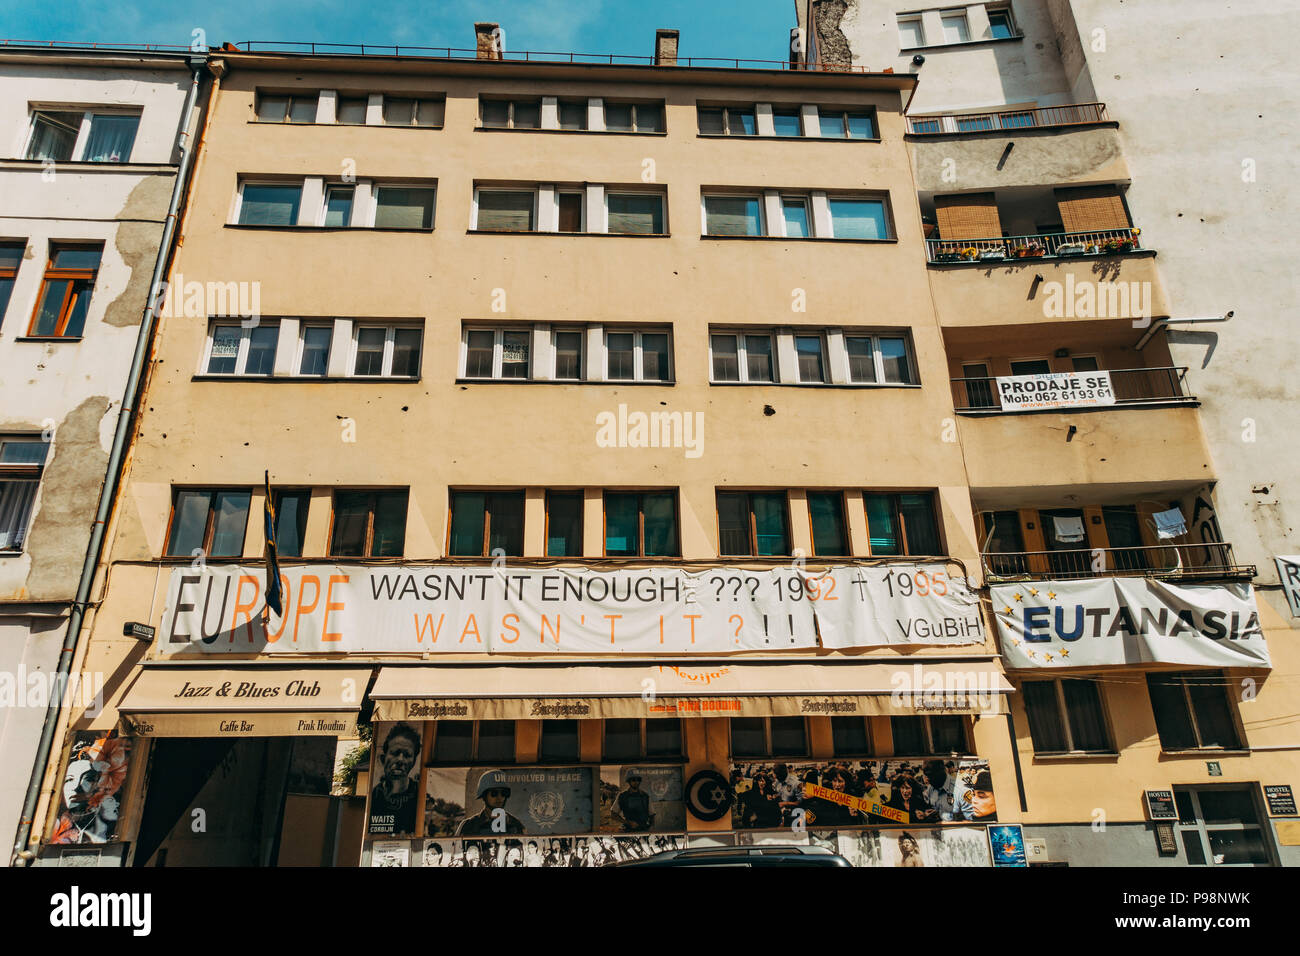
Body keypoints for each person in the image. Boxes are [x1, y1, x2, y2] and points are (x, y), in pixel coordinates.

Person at [369, 723, 421, 834]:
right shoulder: (375, 796)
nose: (400, 760)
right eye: (395, 753)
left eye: (407, 755)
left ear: (414, 761)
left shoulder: (419, 795)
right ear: (384, 757)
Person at [456, 770, 526, 835]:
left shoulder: (516, 825)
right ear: (484, 796)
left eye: (503, 793)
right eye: (494, 793)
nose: (499, 797)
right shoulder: (469, 826)